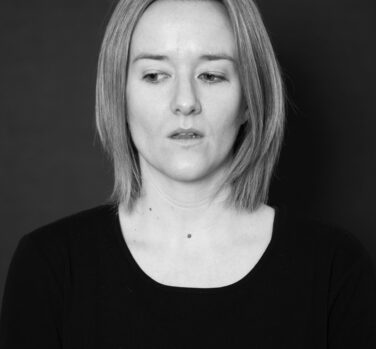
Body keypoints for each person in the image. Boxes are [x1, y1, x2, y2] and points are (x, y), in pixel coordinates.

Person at [1, 0, 375, 348]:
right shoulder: (48, 267)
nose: (185, 102)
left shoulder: (333, 270)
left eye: (211, 75)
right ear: (120, 94)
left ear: (250, 99)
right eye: (154, 75)